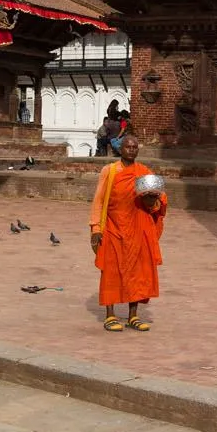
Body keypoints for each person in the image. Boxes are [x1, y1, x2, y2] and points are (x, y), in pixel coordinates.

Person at [88, 134, 167, 332]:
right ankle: (110, 315)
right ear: (120, 149)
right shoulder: (110, 171)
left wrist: (153, 202)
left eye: (134, 147)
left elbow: (158, 202)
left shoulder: (144, 173)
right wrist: (96, 228)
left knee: (138, 273)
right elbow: (98, 200)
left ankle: (133, 316)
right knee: (111, 272)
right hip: (114, 229)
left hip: (138, 230)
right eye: (128, 147)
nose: (131, 150)